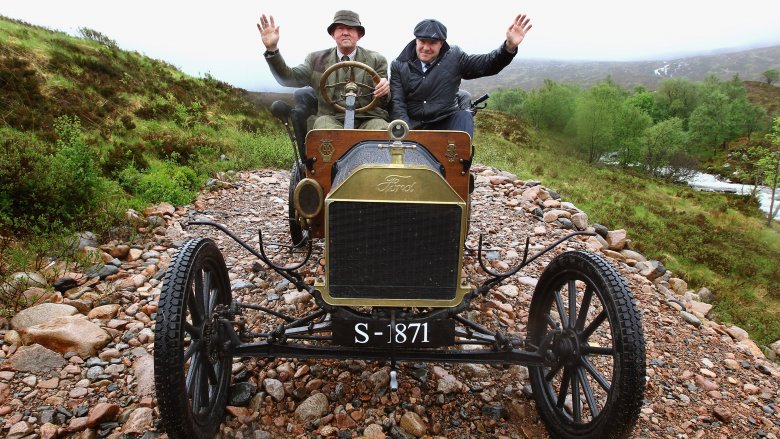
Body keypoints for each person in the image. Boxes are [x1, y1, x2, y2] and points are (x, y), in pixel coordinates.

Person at [390, 15, 532, 138]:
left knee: (464, 115)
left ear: (442, 43)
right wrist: (407, 133)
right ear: (416, 40)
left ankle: (459, 165)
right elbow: (398, 102)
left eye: (432, 43)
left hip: (445, 120)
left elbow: (487, 64)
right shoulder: (398, 65)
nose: (426, 48)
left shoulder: (455, 56)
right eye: (422, 41)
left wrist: (509, 47)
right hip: (413, 125)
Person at [257, 10, 391, 130]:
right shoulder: (315, 60)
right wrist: (272, 49)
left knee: (382, 129)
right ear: (333, 34)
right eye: (340, 28)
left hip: (367, 119)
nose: (345, 32)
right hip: (331, 119)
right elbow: (287, 78)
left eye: (351, 29)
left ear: (359, 35)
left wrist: (385, 90)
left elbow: (383, 100)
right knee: (323, 128)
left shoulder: (377, 60)